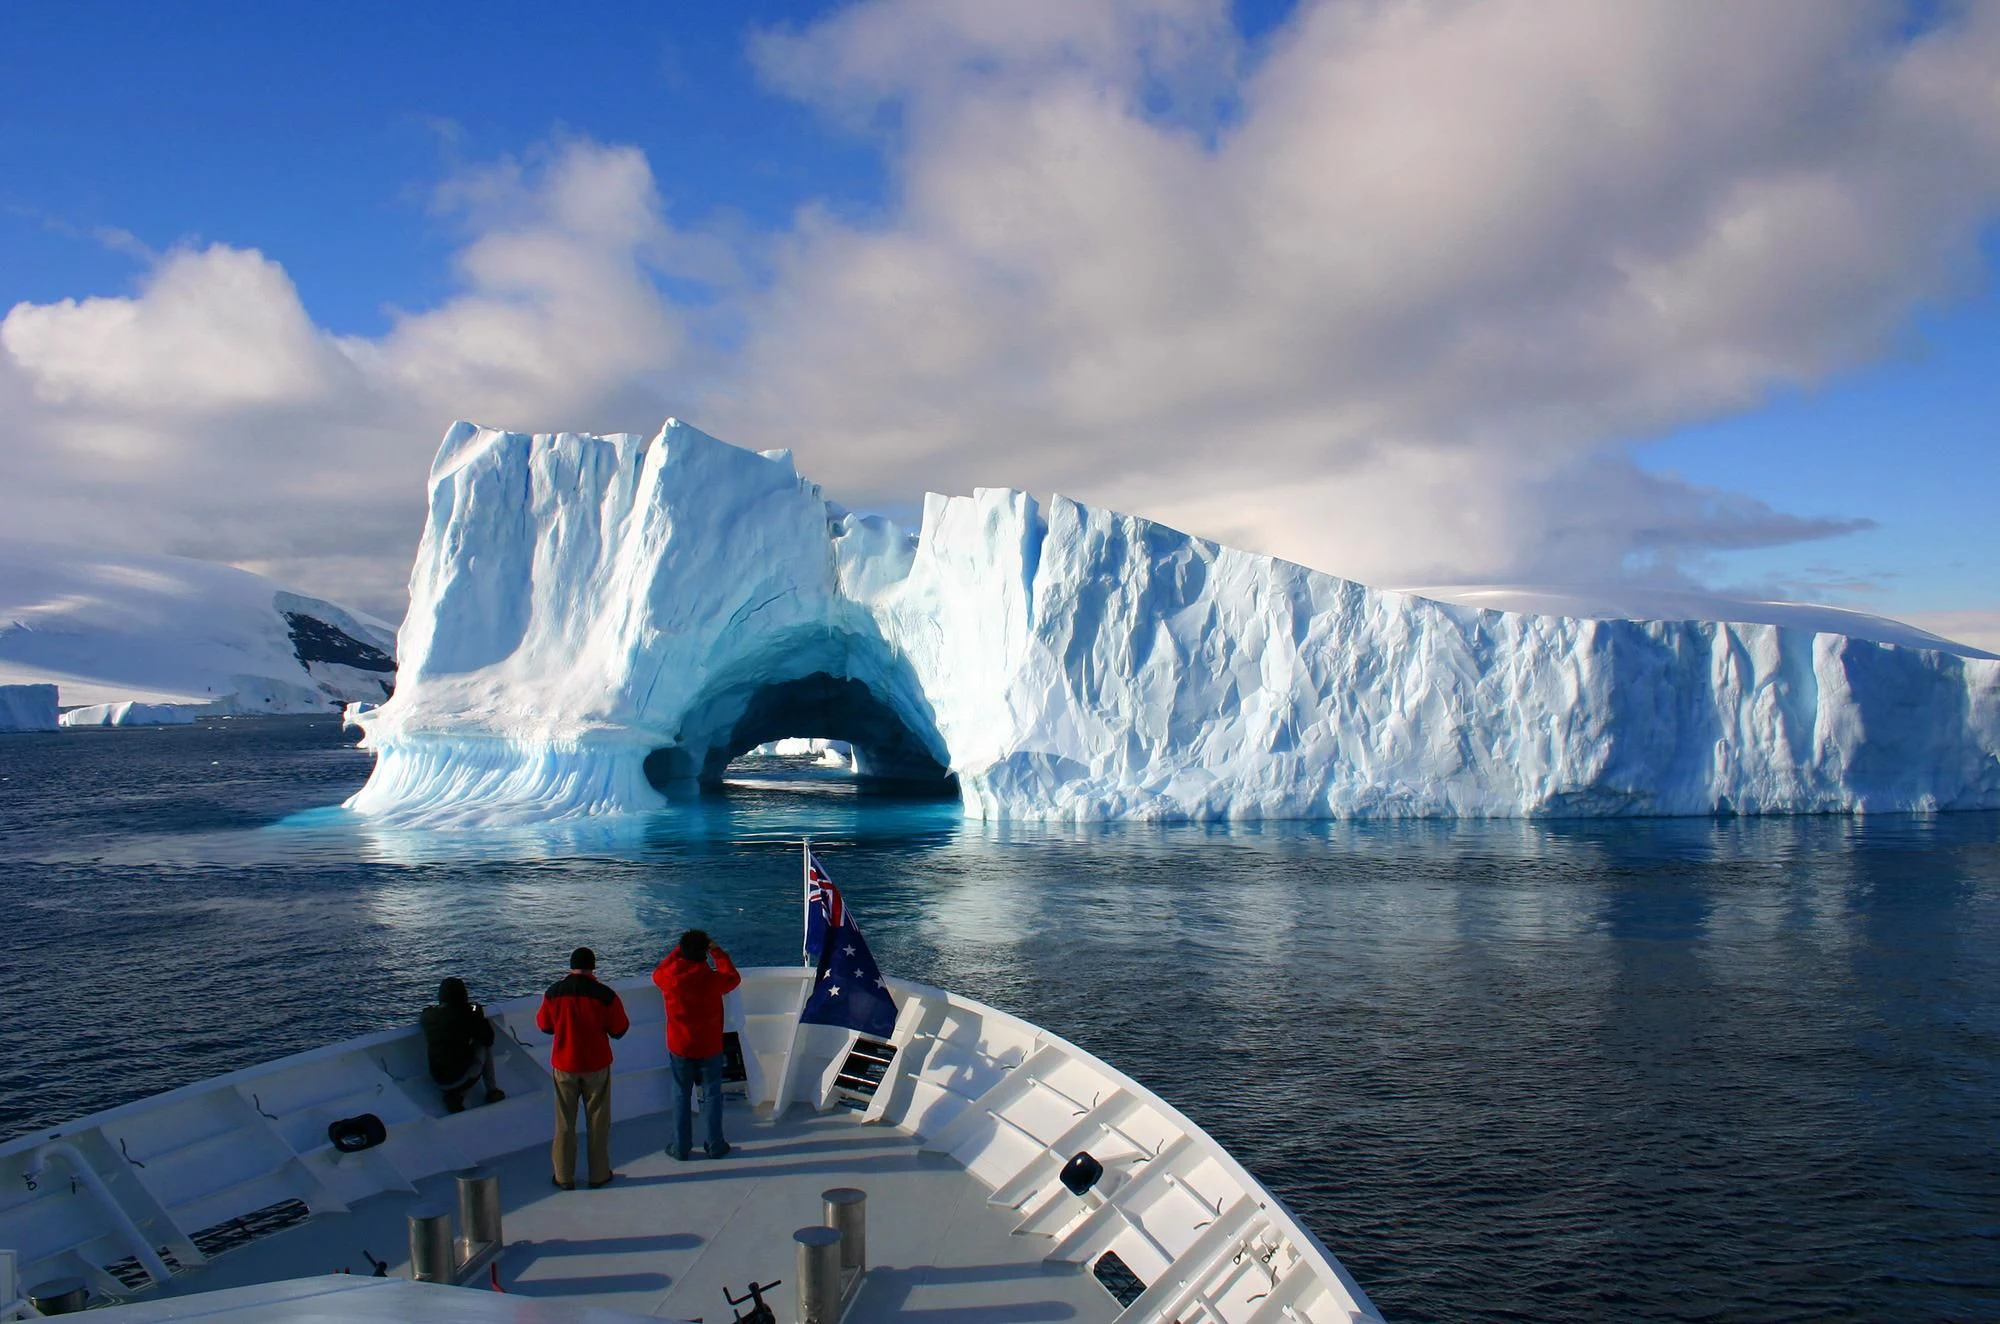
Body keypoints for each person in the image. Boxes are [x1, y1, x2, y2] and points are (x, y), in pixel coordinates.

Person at [535, 946, 629, 1190]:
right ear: (593, 967)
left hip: (565, 1065)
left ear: (571, 966)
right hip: (596, 1064)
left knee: (565, 1121)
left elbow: (544, 1025)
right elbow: (619, 1029)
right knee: (598, 1121)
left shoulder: (554, 993)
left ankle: (563, 1176)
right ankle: (598, 1174)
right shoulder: (604, 994)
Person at [652, 929, 742, 1160]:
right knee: (712, 1094)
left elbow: (658, 971)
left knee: (681, 1094)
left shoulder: (669, 978)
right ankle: (715, 1144)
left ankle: (680, 1147)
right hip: (709, 1044)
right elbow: (733, 977)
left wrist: (678, 950)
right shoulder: (712, 980)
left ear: (682, 952)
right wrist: (717, 951)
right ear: (704, 952)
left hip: (680, 1045)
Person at [420, 977, 505, 1113]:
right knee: (483, 1042)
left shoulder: (429, 1016)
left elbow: (429, 1013)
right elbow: (488, 1039)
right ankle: (491, 1090)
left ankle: (454, 1094)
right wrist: (478, 1014)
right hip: (459, 1080)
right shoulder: (466, 1015)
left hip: (437, 1079)